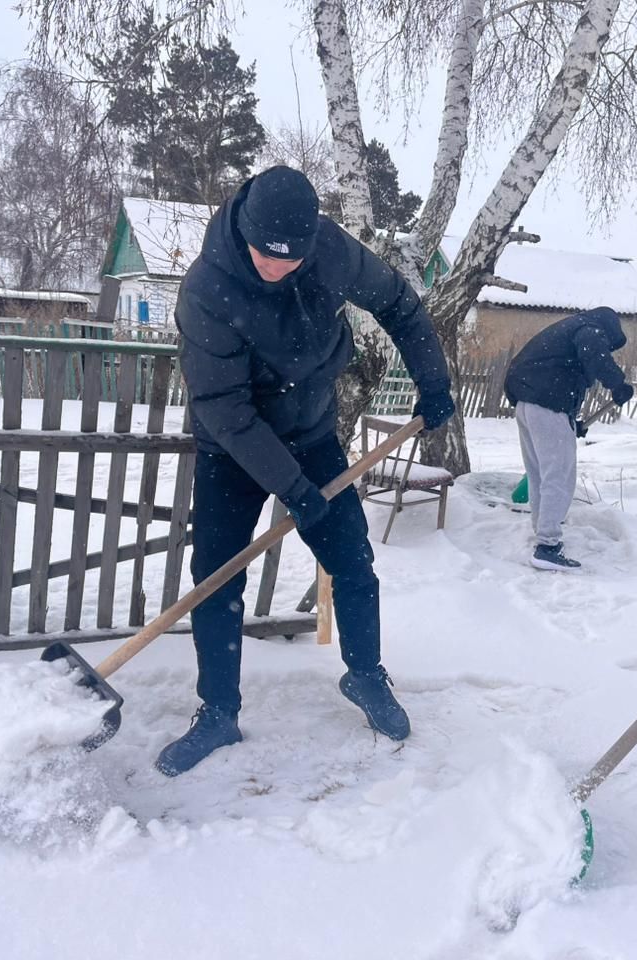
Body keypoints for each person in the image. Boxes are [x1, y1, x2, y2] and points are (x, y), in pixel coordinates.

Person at [160, 166, 455, 776]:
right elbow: (225, 408)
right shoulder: (207, 289)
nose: (277, 267)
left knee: (353, 560)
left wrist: (432, 379)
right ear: (246, 232)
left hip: (312, 432)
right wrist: (290, 487)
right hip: (231, 448)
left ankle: (365, 675)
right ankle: (218, 711)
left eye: (290, 258)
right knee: (216, 579)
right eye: (266, 256)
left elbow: (399, 304)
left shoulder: (330, 251)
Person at [503, 307, 634, 570]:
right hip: (547, 404)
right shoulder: (589, 329)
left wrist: (571, 422)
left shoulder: (565, 330)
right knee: (559, 476)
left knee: (540, 475)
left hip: (527, 404)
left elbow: (555, 372)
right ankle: (547, 546)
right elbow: (594, 353)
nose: (608, 348)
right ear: (607, 328)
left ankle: (543, 532)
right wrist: (618, 384)